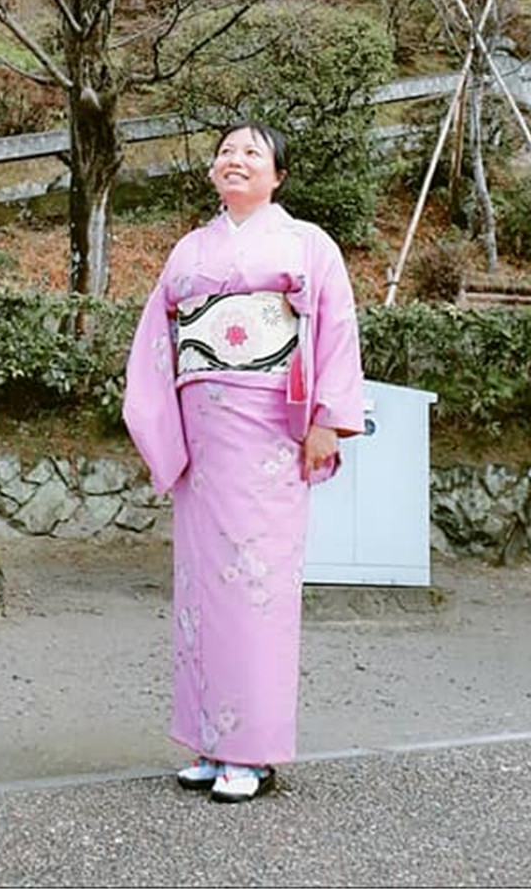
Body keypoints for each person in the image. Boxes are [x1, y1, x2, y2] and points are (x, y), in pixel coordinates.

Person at [123, 121, 365, 804]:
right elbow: (155, 342)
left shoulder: (307, 245)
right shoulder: (191, 250)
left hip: (268, 434)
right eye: (226, 152)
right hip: (204, 435)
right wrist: (164, 435)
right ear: (212, 173)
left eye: (251, 152)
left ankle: (251, 752)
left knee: (256, 585)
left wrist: (327, 421)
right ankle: (208, 740)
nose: (236, 160)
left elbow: (337, 328)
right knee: (203, 588)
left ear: (277, 175)